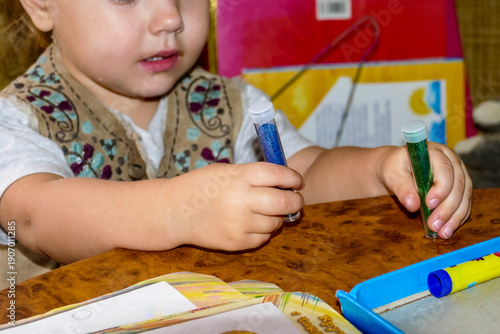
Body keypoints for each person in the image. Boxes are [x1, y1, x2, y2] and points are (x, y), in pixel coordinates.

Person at [0, 0, 471, 275]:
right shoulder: (14, 118)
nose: (170, 17)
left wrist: (381, 167)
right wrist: (177, 210)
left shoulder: (238, 103)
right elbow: (36, 217)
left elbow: (302, 173)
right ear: (42, 5)